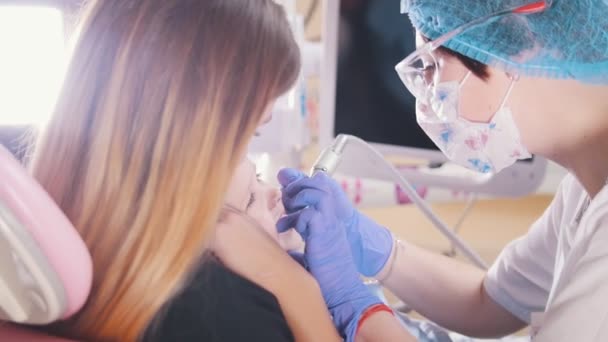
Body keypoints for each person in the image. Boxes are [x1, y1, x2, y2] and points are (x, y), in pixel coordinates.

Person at [278, 0, 608, 341]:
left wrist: (355, 307)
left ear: (518, 43)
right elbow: (490, 302)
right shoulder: (584, 188)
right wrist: (376, 248)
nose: (425, 100)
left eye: (433, 65)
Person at [28, 0, 340, 341]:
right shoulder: (225, 313)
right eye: (249, 134)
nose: (271, 186)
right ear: (192, 146)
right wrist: (299, 292)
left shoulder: (52, 268)